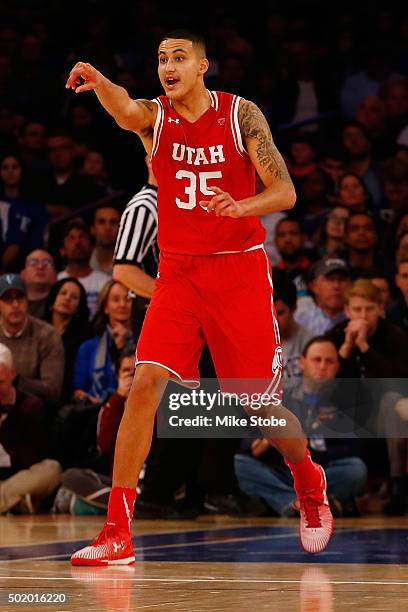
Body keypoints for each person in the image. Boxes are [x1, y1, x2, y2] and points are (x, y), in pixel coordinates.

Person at [66, 29, 333, 565]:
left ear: (204, 65)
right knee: (145, 385)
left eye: (179, 57)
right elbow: (125, 109)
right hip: (179, 274)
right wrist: (99, 82)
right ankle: (117, 532)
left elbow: (286, 191)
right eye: (162, 58)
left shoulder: (241, 115)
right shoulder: (155, 117)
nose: (168, 65)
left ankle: (308, 481)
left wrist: (242, 205)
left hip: (238, 274)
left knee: (259, 406)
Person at [235, 337, 368, 517]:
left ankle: (292, 503)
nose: (322, 367)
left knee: (355, 470)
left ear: (337, 366)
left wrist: (314, 447)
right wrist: (265, 443)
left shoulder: (344, 400)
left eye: (329, 361)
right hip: (283, 471)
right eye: (316, 360)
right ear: (302, 362)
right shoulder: (280, 396)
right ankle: (299, 503)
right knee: (240, 464)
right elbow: (248, 442)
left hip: (321, 472)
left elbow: (354, 448)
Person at [0, 343, 61, 514]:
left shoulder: (31, 406)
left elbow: (35, 456)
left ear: (12, 374)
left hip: (22, 475)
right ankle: (16, 502)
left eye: (0, 382)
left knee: (52, 469)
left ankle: (8, 500)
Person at [0, 273, 64, 407]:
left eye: (20, 297)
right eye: (7, 299)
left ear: (27, 300)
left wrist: (15, 380)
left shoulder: (47, 335)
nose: (15, 304)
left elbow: (52, 391)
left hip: (32, 412)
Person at [72, 279, 134, 404]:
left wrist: (122, 348)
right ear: (105, 307)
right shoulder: (88, 347)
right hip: (94, 412)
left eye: (128, 299)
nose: (122, 304)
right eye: (116, 300)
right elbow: (78, 390)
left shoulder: (146, 346)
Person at [44, 277, 91, 403]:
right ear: (53, 298)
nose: (67, 298)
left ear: (78, 307)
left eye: (74, 297)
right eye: (63, 293)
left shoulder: (85, 336)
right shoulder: (37, 329)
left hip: (69, 397)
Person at [58, 219, 110, 318]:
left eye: (82, 237)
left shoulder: (105, 282)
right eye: (71, 238)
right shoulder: (56, 281)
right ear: (62, 251)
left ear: (92, 247)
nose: (77, 242)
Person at [20, 249, 57, 319]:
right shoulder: (9, 305)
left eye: (47, 264)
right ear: (22, 274)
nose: (40, 267)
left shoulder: (60, 307)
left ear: (55, 276)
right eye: (33, 263)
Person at [90, 206, 121, 276]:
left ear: (120, 228)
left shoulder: (129, 263)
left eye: (113, 222)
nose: (108, 227)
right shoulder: (84, 262)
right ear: (92, 229)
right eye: (102, 222)